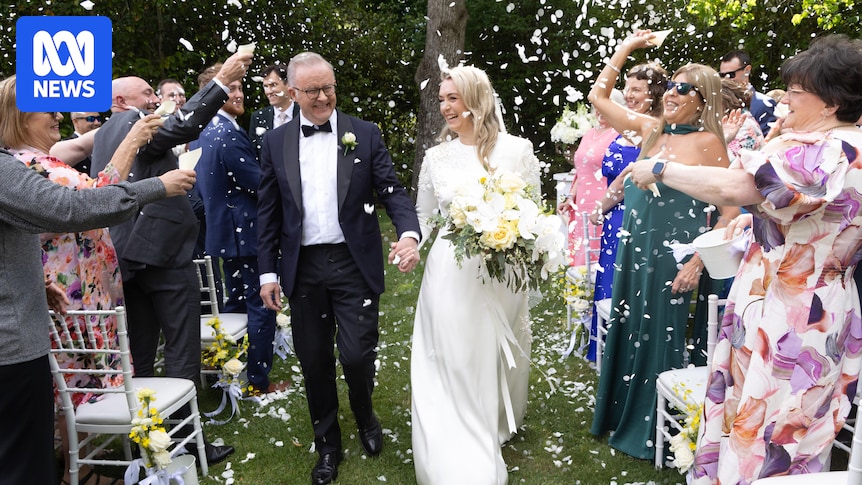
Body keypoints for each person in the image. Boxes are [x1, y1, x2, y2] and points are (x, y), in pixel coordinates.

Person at [629, 34, 862, 484]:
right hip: (790, 300)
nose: (787, 99)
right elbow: (803, 215)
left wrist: (660, 168)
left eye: (797, 91)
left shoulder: (833, 150)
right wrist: (754, 222)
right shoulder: (836, 145)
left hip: (796, 313)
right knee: (764, 425)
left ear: (831, 102)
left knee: (771, 433)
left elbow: (738, 188)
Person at [256, 51, 420, 485]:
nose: (325, 96)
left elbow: (393, 190)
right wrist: (267, 273)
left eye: (329, 87)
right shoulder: (274, 143)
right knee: (313, 359)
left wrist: (408, 233)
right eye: (313, 91)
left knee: (356, 354)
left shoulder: (363, 134)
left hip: (353, 262)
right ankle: (328, 444)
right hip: (303, 266)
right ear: (292, 93)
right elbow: (268, 213)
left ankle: (364, 414)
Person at [0, 76, 167, 484]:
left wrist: (37, 285)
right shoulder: (19, 166)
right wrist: (156, 185)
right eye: (46, 107)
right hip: (16, 338)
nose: (57, 114)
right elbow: (79, 205)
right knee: (28, 449)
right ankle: (79, 468)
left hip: (45, 300)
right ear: (18, 117)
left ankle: (82, 468)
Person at [90, 51, 253, 466]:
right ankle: (187, 444)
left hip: (129, 255)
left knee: (142, 354)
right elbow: (181, 125)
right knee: (182, 350)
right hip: (162, 254)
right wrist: (223, 80)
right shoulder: (131, 124)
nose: (154, 98)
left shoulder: (104, 134)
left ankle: (146, 444)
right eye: (145, 92)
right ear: (122, 102)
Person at [588, 29, 739, 461]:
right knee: (628, 328)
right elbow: (599, 99)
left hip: (671, 258)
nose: (672, 92)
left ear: (703, 100)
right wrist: (626, 48)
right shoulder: (653, 130)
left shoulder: (708, 143)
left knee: (658, 335)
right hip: (633, 252)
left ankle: (653, 428)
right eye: (671, 83)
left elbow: (728, 211)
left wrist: (696, 262)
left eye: (684, 88)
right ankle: (617, 416)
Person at [410, 65, 536, 485]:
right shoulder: (435, 157)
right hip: (449, 268)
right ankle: (453, 434)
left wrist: (515, 236)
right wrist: (411, 240)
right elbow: (425, 217)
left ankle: (491, 418)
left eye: (453, 98)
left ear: (476, 100)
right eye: (442, 99)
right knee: (450, 348)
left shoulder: (516, 150)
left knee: (489, 349)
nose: (445, 106)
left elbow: (532, 211)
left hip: (501, 271)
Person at [193, 63, 286, 395]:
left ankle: (225, 373)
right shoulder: (229, 134)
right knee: (261, 306)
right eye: (230, 89)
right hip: (246, 235)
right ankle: (258, 383)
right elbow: (259, 184)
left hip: (223, 234)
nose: (239, 94)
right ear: (214, 95)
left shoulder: (202, 132)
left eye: (240, 87)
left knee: (233, 306)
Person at [588, 63, 668, 361]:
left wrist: (601, 206)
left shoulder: (652, 128)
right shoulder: (634, 124)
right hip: (615, 220)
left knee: (623, 285)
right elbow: (598, 96)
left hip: (630, 216)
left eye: (636, 89)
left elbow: (626, 179)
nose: (628, 94)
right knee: (611, 280)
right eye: (627, 87)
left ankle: (621, 355)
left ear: (655, 93)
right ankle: (609, 352)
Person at [557, 106, 619, 267]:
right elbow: (581, 170)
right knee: (580, 251)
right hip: (581, 204)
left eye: (604, 107)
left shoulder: (619, 135)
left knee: (596, 253)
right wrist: (570, 198)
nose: (600, 111)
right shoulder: (589, 133)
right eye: (597, 108)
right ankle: (579, 289)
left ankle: (594, 290)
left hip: (602, 202)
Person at [719, 50, 777, 135]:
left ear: (747, 70)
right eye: (722, 76)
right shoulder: (717, 102)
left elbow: (768, 140)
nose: (726, 79)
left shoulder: (764, 103)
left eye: (731, 74)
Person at [248, 63, 298, 154]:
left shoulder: (304, 113)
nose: (269, 91)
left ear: (288, 84)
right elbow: (253, 155)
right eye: (266, 86)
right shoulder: (258, 117)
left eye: (273, 85)